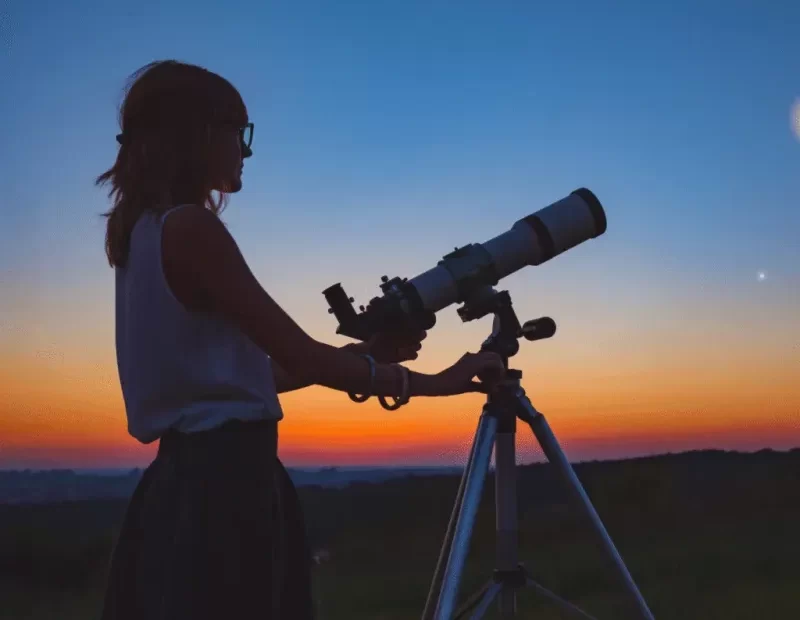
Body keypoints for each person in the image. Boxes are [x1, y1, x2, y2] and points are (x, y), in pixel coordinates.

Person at [96, 60, 505, 620]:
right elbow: (296, 354)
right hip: (228, 484)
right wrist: (436, 383)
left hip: (185, 484)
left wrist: (366, 355)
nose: (246, 150)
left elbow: (251, 376)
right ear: (199, 134)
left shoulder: (141, 235)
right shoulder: (191, 230)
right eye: (239, 132)